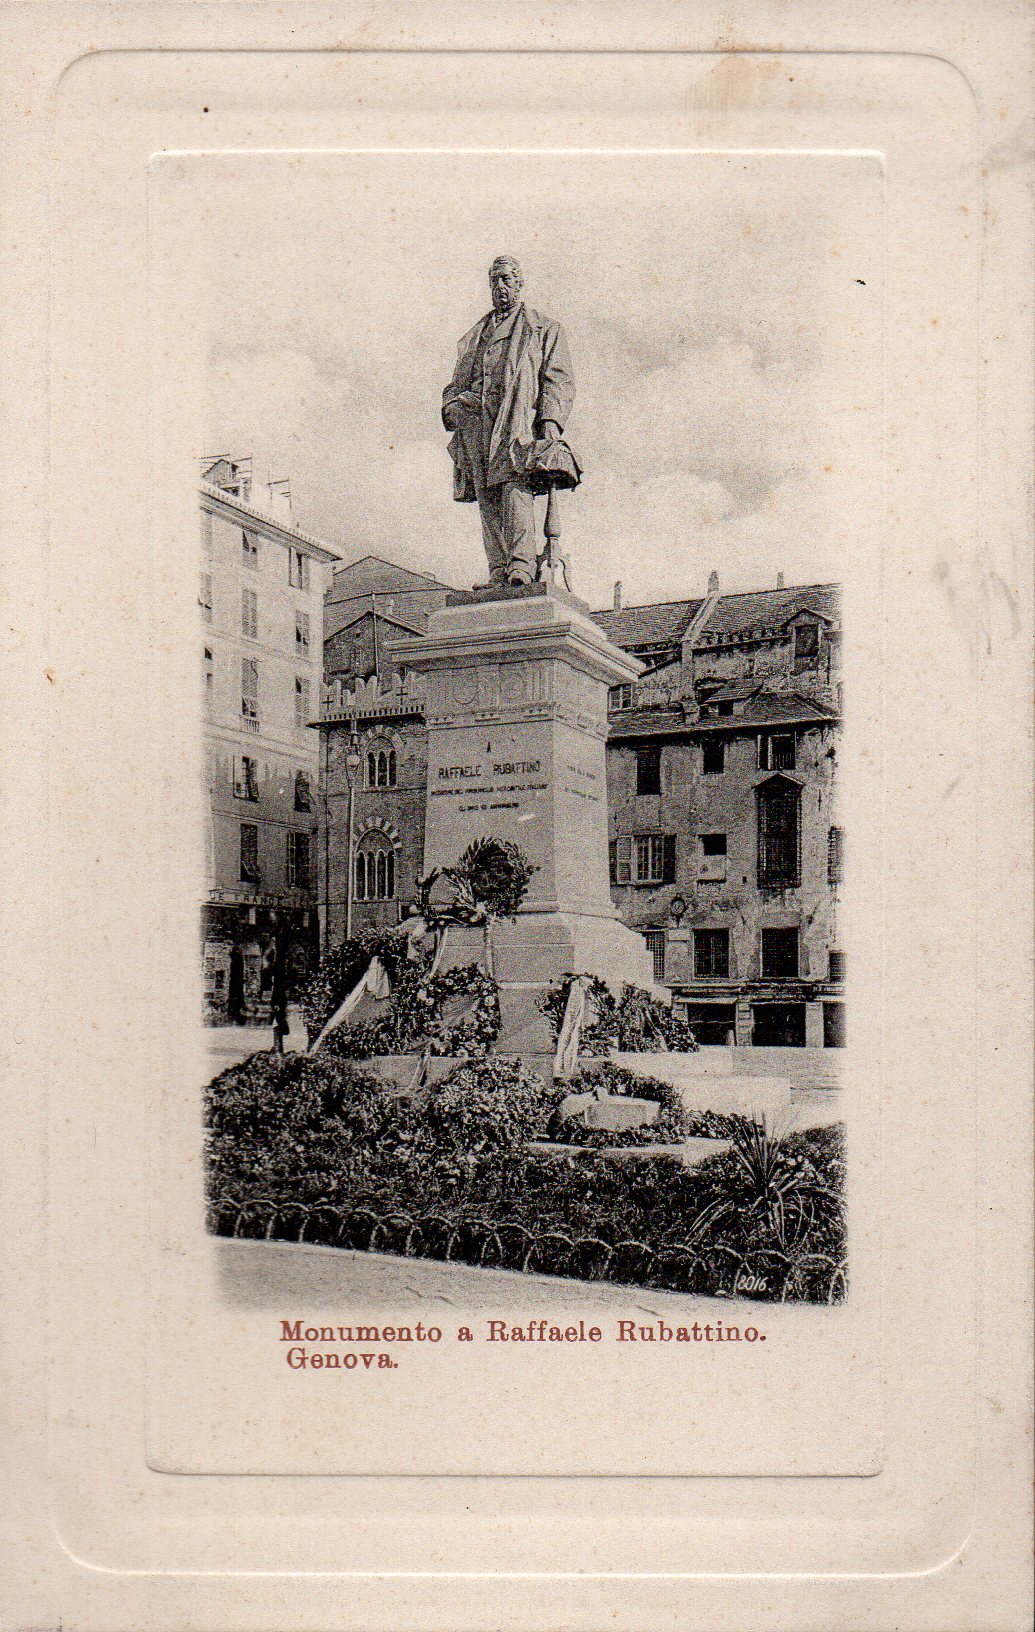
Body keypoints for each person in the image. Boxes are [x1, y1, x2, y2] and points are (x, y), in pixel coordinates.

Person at [442, 256, 575, 586]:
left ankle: (521, 565)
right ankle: (497, 569)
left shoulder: (543, 328)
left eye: (506, 279)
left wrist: (550, 422)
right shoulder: (476, 335)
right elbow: (455, 383)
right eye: (494, 281)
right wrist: (451, 406)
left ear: (519, 283)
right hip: (476, 421)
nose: (500, 286)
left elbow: (558, 379)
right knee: (486, 494)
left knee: (514, 485)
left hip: (515, 417)